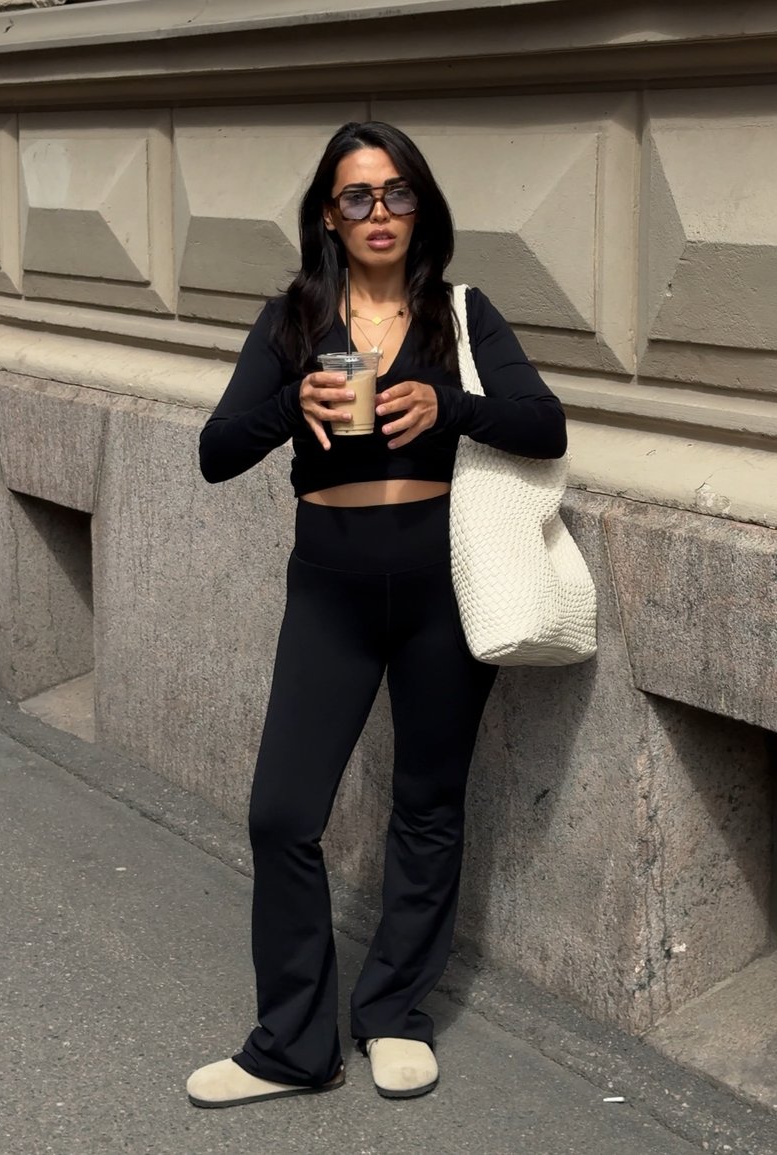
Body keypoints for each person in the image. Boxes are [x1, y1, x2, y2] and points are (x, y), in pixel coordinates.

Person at [187, 121, 567, 1109]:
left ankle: (393, 1013)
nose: (379, 213)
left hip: (439, 582)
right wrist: (292, 409)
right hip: (331, 585)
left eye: (396, 193)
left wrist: (449, 406)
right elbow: (216, 449)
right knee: (280, 812)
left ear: (420, 205)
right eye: (357, 196)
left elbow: (543, 424)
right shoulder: (291, 319)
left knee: (428, 807)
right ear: (327, 212)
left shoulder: (460, 311)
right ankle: (292, 1046)